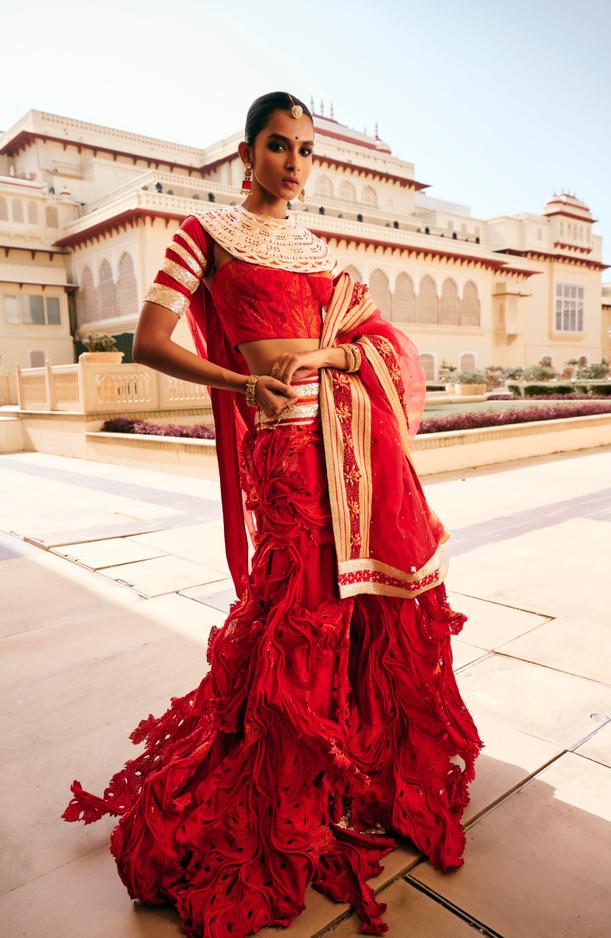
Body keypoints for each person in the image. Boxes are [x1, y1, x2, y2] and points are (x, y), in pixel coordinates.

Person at [61, 91, 484, 937]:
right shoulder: (204, 235)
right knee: (290, 608)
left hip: (342, 440)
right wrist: (236, 383)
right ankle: (270, 773)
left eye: (304, 150)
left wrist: (333, 353)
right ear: (246, 153)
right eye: (279, 146)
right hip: (280, 449)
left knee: (343, 603)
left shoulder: (315, 248)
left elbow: (371, 339)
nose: (292, 163)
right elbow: (148, 342)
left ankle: (332, 767)